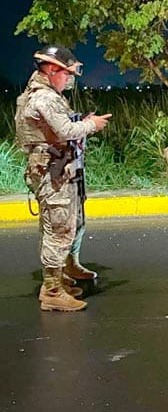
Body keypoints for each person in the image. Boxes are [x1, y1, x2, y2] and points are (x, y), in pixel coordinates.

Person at [14, 45, 111, 311]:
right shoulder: (44, 98)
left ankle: (60, 279)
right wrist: (91, 125)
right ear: (51, 70)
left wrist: (82, 124)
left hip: (55, 170)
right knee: (58, 231)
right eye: (66, 74)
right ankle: (53, 291)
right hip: (52, 174)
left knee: (61, 226)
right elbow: (66, 130)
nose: (69, 79)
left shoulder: (41, 95)